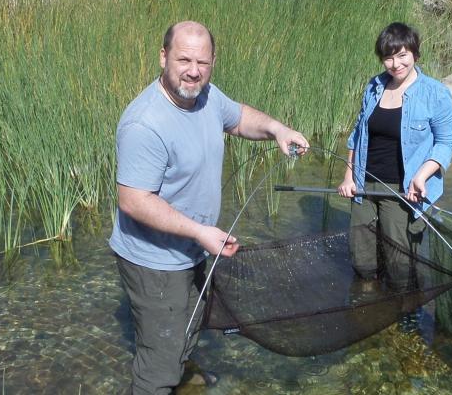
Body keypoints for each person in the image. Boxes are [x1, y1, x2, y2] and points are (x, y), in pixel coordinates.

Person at [111, 20, 309, 395]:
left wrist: (277, 130)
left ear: (213, 61)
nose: (193, 70)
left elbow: (238, 118)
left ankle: (180, 376)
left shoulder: (205, 96)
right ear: (163, 56)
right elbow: (133, 200)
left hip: (194, 247)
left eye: (202, 62)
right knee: (159, 359)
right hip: (154, 261)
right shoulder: (144, 123)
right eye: (184, 59)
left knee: (190, 326)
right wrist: (201, 231)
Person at [337, 22, 452, 293]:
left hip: (404, 190)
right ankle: (367, 301)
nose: (395, 64)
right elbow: (358, 134)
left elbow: (446, 143)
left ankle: (404, 318)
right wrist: (348, 176)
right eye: (388, 57)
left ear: (414, 53)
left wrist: (422, 176)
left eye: (402, 55)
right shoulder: (375, 86)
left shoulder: (435, 93)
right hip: (363, 185)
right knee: (362, 257)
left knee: (400, 263)